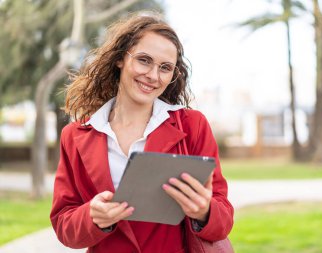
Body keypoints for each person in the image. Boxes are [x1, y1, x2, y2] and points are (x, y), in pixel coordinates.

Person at [50, 12, 234, 253]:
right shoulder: (75, 135)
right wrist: (91, 216)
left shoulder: (192, 125)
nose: (153, 76)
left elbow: (224, 218)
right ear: (120, 59)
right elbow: (64, 225)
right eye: (144, 60)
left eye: (165, 68)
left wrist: (205, 211)